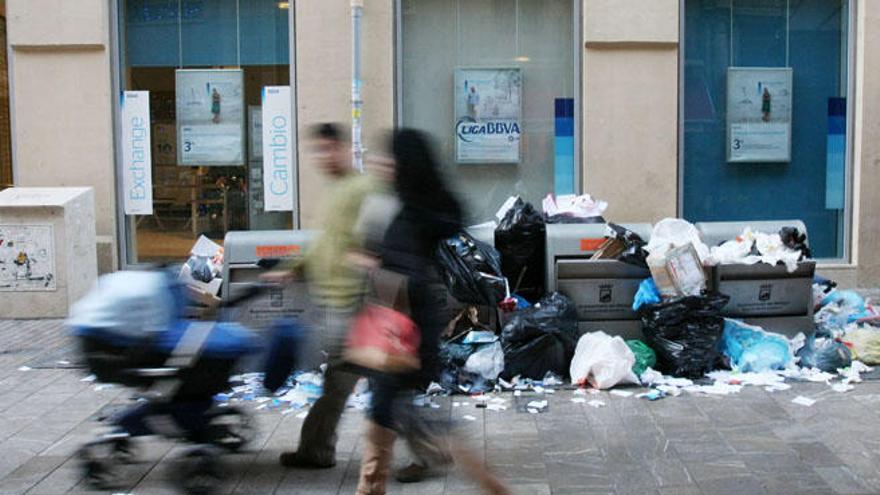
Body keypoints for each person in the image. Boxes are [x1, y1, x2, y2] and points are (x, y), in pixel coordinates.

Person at [355, 129, 509, 495]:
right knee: (399, 413)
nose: (380, 163)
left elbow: (398, 270)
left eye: (388, 158)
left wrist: (372, 267)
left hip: (399, 326)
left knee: (388, 412)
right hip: (410, 323)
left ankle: (491, 484)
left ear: (404, 164)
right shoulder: (420, 206)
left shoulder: (406, 212)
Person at [272, 123, 379, 469]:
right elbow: (325, 242)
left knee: (344, 380)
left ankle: (316, 449)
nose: (325, 157)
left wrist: (367, 256)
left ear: (347, 149)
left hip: (355, 303)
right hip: (338, 301)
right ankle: (315, 448)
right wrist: (295, 266)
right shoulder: (337, 190)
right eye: (319, 150)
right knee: (342, 381)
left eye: (330, 149)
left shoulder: (364, 188)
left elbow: (382, 232)